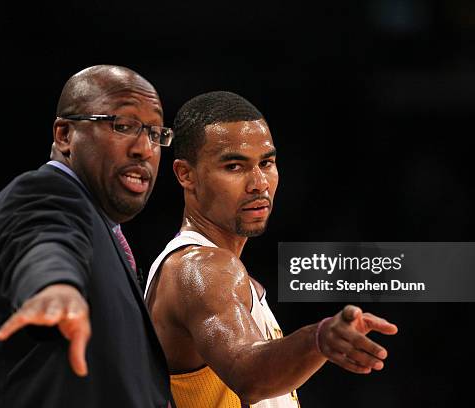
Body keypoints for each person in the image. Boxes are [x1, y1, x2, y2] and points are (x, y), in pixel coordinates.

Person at [145, 91, 398, 407]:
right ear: (186, 174)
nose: (258, 183)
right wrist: (316, 339)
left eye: (267, 163)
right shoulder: (201, 268)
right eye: (234, 166)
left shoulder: (225, 273)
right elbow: (247, 373)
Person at [0, 65, 174, 407]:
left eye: (155, 132)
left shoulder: (101, 227)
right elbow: (44, 240)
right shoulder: (44, 192)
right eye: (123, 126)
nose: (144, 149)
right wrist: (54, 288)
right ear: (64, 135)